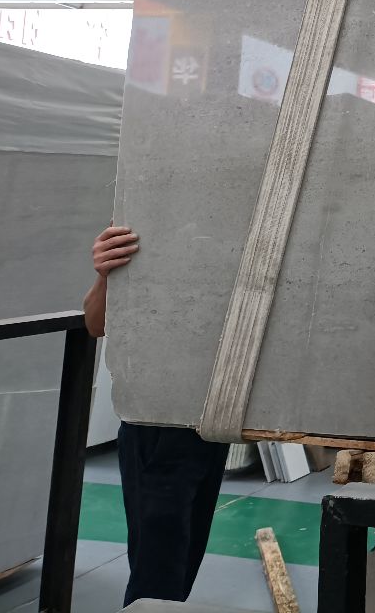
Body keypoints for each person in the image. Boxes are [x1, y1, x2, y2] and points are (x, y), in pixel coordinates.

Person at [86, 225, 230, 607]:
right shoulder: (143, 229)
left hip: (209, 424)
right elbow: (95, 323)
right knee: (157, 575)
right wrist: (105, 275)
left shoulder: (221, 244)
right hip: (155, 425)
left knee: (182, 564)